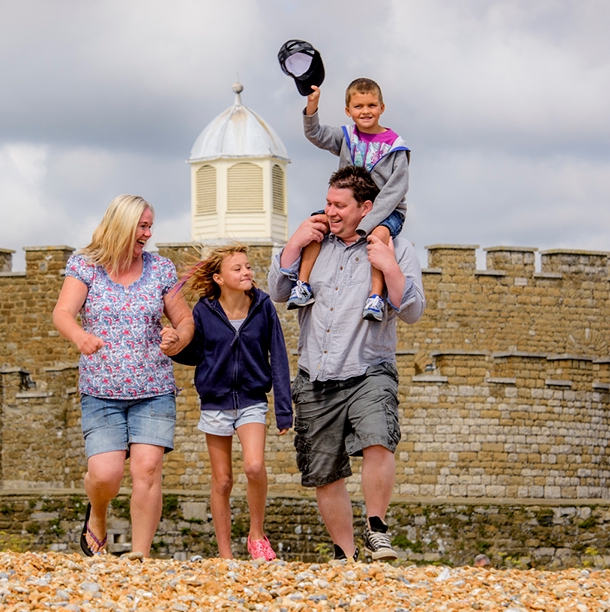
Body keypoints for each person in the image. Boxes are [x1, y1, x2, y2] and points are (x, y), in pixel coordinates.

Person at [268, 166, 424, 562]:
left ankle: (377, 529)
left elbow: (413, 311)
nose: (330, 211)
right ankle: (345, 554)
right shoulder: (312, 245)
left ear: (365, 208)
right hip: (315, 375)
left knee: (378, 439)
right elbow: (277, 292)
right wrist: (292, 245)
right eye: (327, 203)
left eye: (339, 205)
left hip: (369, 367)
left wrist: (389, 267)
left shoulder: (398, 247)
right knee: (324, 471)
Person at [52, 194, 194, 559]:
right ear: (121, 225)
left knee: (147, 469)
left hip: (154, 388)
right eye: (141, 226)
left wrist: (177, 339)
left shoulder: (161, 269)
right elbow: (63, 313)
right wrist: (80, 336)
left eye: (150, 226)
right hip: (100, 390)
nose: (147, 233)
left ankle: (140, 555)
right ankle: (97, 516)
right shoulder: (85, 266)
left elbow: (185, 321)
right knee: (105, 475)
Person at [170, 243, 292, 560]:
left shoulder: (263, 306)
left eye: (248, 267)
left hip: (252, 398)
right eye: (237, 269)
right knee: (222, 481)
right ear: (219, 278)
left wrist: (284, 411)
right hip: (215, 402)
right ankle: (225, 554)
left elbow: (278, 356)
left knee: (254, 466)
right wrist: (172, 347)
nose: (247, 272)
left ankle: (256, 535)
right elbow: (197, 354)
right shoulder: (204, 310)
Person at [286, 78, 410, 324]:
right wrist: (312, 105)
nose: (366, 111)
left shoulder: (396, 147)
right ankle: (303, 284)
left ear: (382, 108)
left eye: (372, 105)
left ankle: (375, 297)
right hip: (348, 209)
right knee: (316, 224)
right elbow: (315, 133)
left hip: (386, 211)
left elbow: (396, 190)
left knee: (379, 235)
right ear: (348, 111)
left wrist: (369, 221)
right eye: (359, 106)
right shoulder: (346, 137)